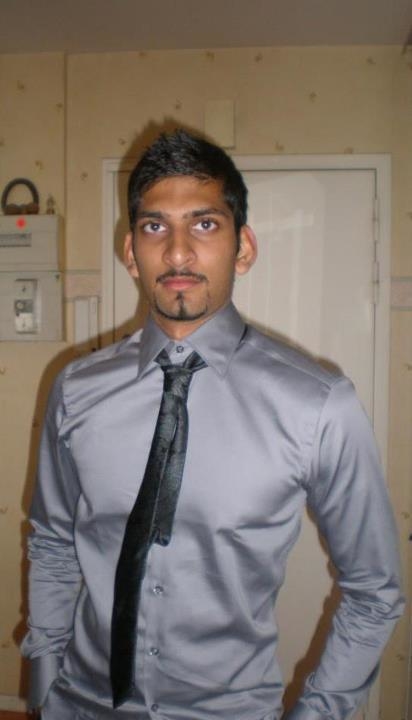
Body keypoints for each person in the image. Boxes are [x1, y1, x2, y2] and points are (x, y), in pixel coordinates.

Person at [22, 129, 403, 720]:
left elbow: (374, 591)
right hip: (80, 704)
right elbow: (53, 542)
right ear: (131, 252)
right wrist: (45, 686)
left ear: (243, 248)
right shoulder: (75, 390)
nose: (178, 254)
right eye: (155, 227)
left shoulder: (319, 405)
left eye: (204, 224)